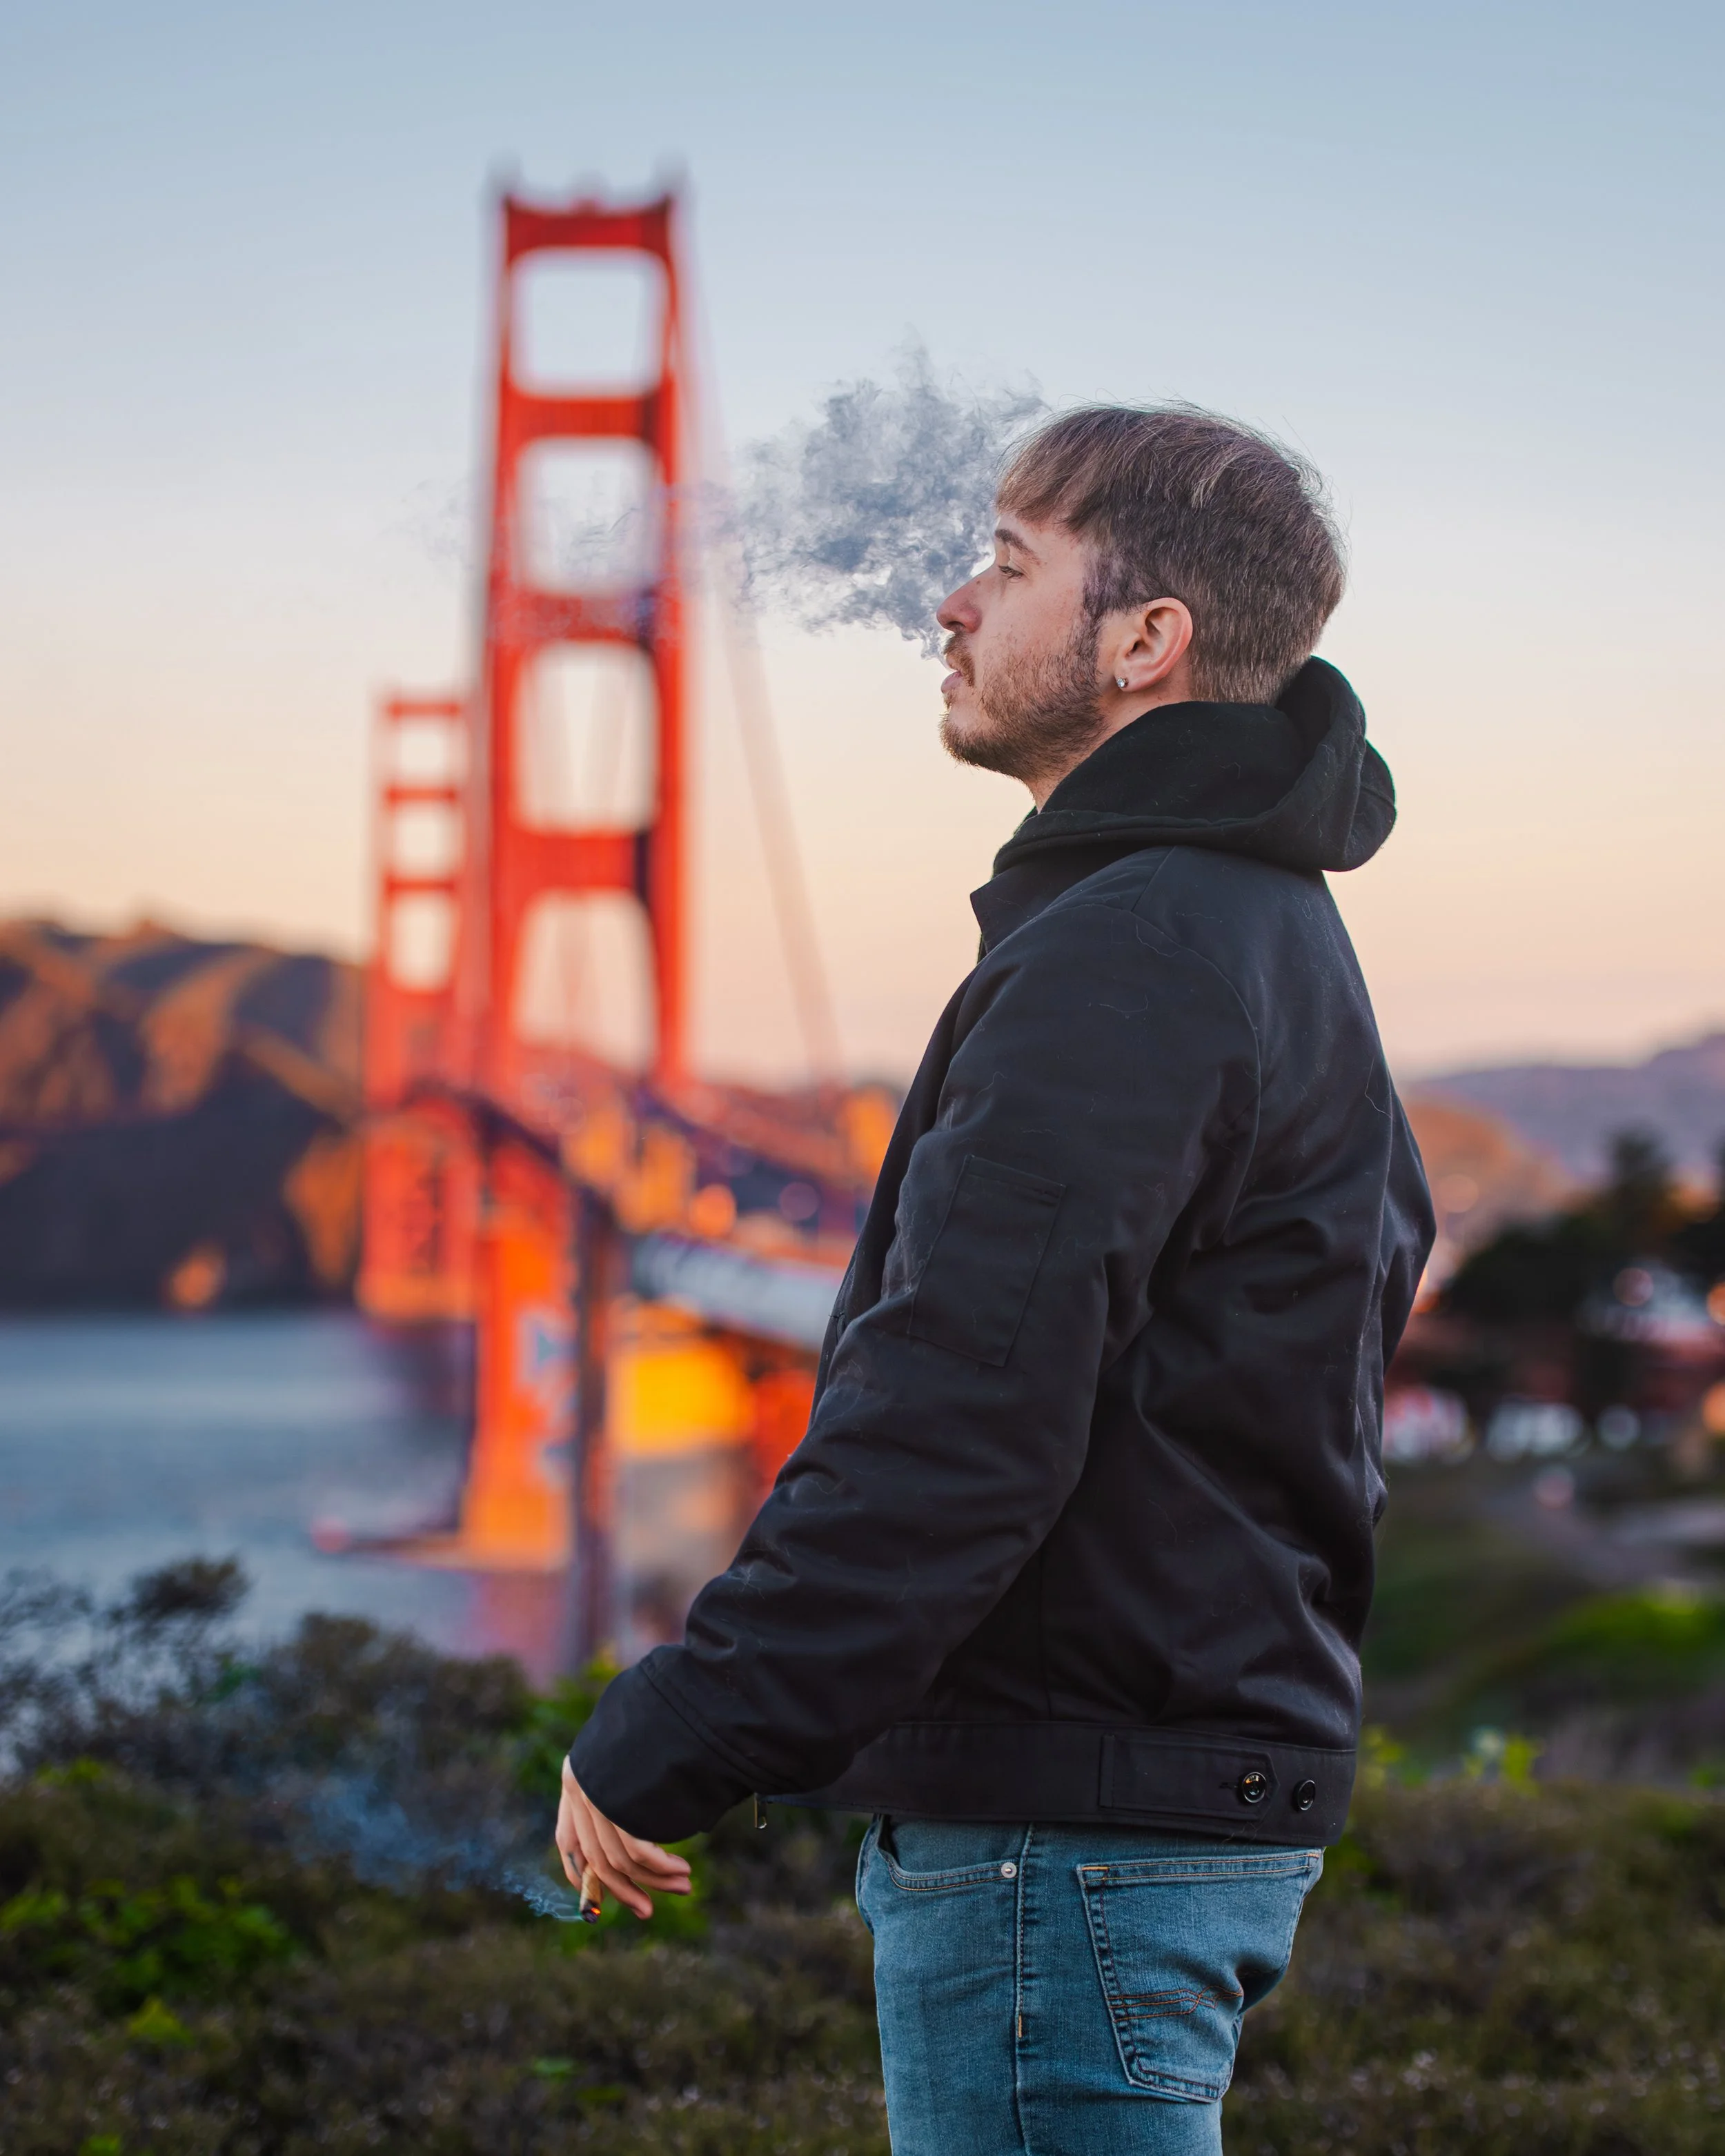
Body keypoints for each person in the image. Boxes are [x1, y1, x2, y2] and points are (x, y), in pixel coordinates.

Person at [556, 405, 1435, 2154]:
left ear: (1141, 641)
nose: (948, 606)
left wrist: (683, 1722)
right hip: (1149, 1798)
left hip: (1067, 1824)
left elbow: (960, 1411)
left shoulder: (1128, 950)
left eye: (1008, 566)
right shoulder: (1245, 925)